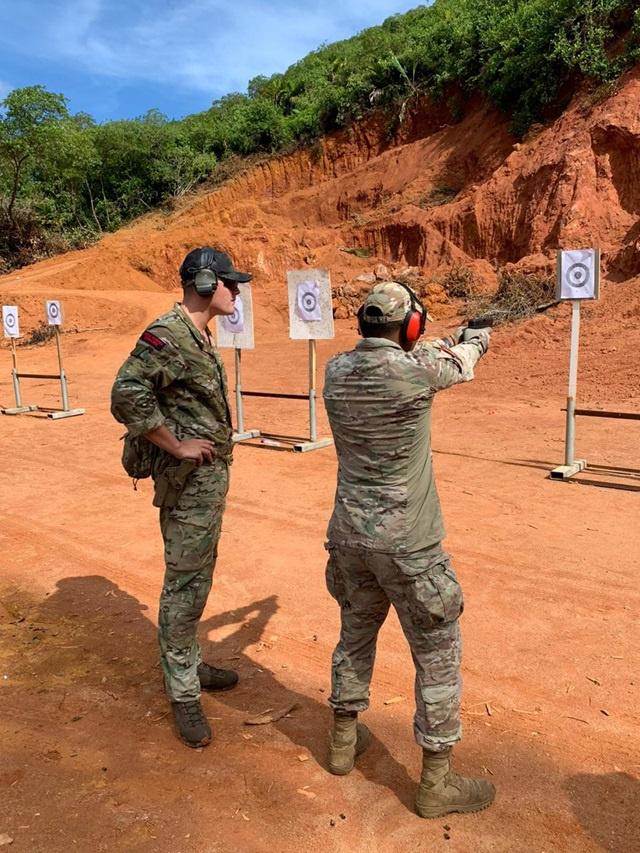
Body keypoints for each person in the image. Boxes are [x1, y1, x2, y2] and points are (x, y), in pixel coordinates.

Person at [322, 281, 495, 818]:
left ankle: (342, 744)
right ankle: (436, 783)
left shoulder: (335, 371)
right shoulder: (418, 370)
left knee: (355, 632)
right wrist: (477, 339)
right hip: (409, 543)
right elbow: (459, 363)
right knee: (437, 653)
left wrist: (426, 338)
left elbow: (402, 353)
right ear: (411, 327)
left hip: (350, 535)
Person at [111, 247, 251, 749]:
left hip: (204, 484)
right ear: (209, 283)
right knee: (184, 583)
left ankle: (187, 663)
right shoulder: (169, 334)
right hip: (186, 482)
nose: (238, 292)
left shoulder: (195, 333)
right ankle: (183, 691)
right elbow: (126, 392)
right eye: (233, 283)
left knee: (198, 577)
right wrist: (174, 444)